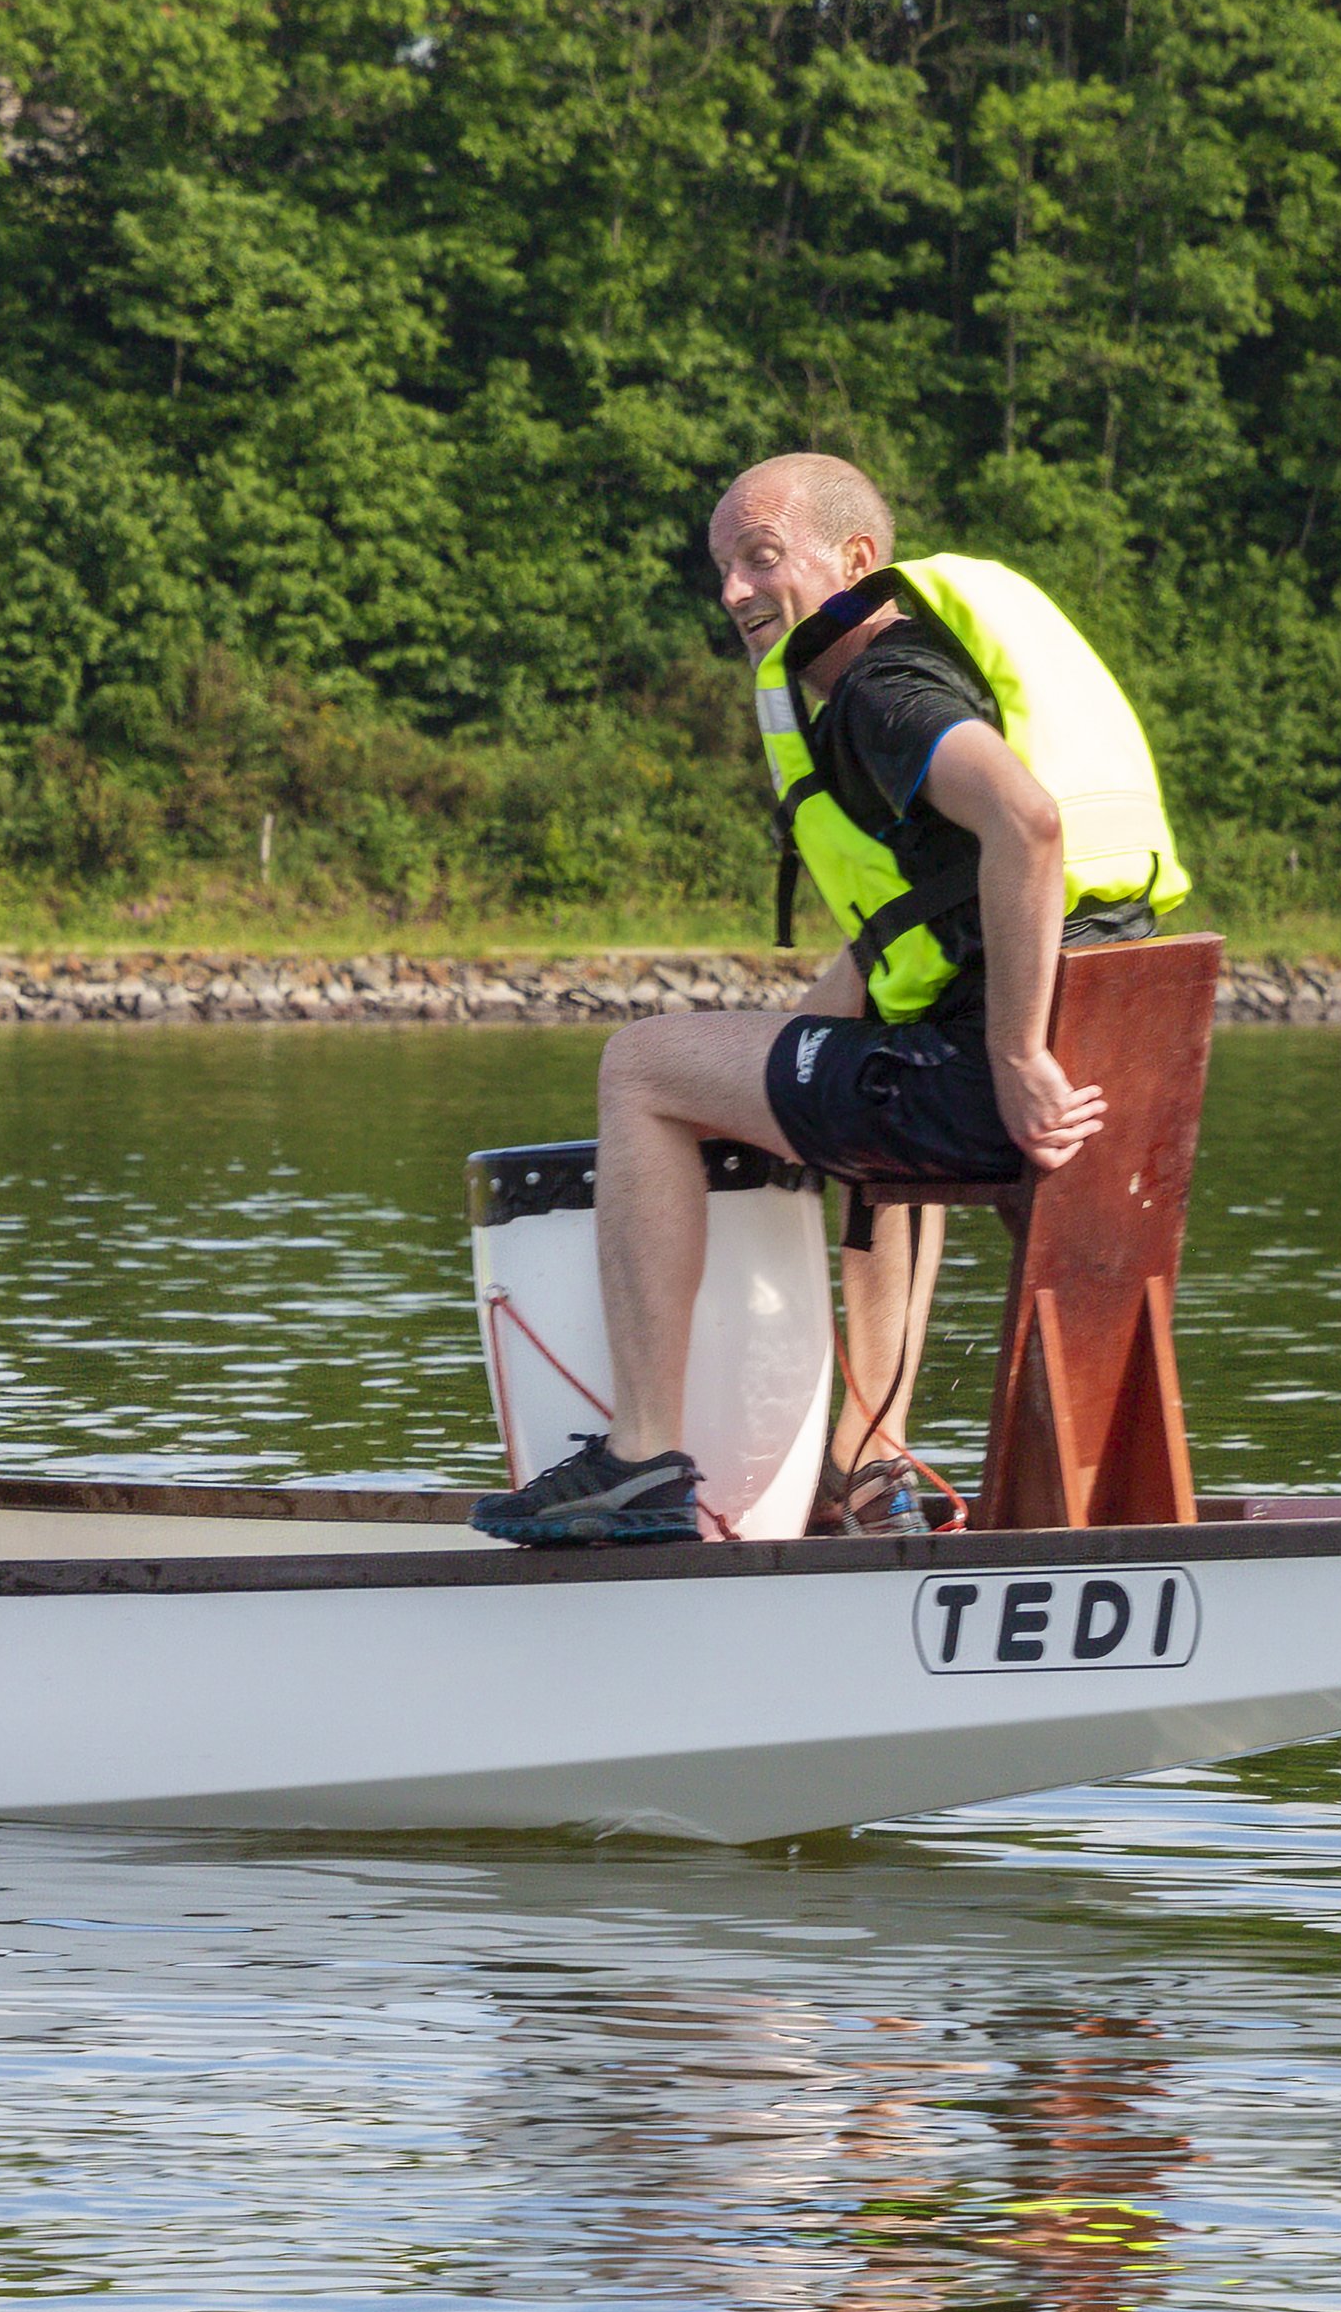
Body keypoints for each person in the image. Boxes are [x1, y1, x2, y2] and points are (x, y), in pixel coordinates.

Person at [475, 452, 1193, 1547]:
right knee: (848, 1062)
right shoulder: (917, 662)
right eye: (721, 568)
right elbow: (910, 933)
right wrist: (787, 1057)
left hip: (1001, 1088)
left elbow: (1030, 825)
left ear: (855, 561)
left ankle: (640, 1459)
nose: (734, 594)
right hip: (1111, 1066)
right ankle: (867, 1468)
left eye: (760, 559)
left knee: (641, 1067)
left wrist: (1011, 1058)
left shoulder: (880, 690)